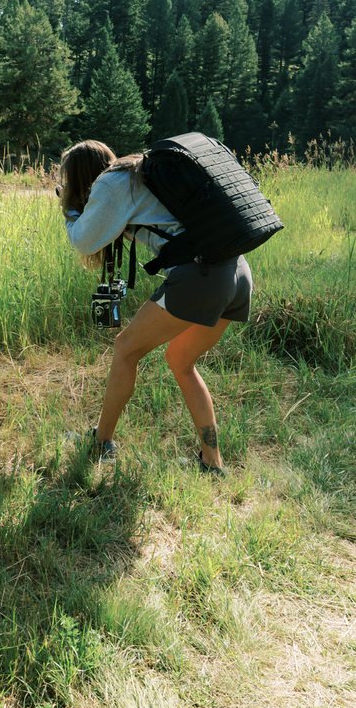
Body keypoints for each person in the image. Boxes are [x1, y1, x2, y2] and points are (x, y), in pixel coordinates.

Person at [57, 139, 254, 475]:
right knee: (181, 360)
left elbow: (83, 239)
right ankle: (212, 462)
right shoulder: (138, 173)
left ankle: (101, 444)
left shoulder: (111, 182)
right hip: (236, 272)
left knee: (125, 350)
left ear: (78, 178)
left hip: (200, 275)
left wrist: (68, 208)